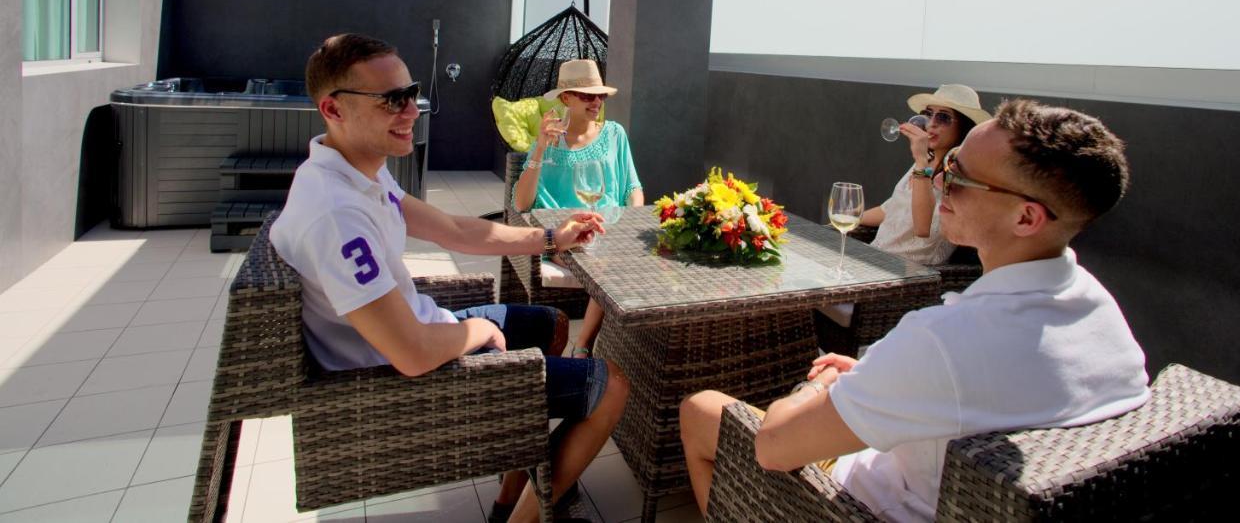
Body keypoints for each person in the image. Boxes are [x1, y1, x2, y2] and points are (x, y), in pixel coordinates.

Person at [680, 99, 1150, 522]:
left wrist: (818, 384)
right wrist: (878, 376)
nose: (940, 179)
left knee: (701, 409)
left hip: (862, 502)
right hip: (954, 494)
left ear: (1025, 218)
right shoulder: (1102, 314)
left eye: (960, 176)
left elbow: (772, 448)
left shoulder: (943, 341)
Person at [270, 34, 629, 523]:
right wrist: (478, 331)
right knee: (612, 386)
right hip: (400, 377)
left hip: (418, 329)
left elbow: (456, 229)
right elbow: (412, 353)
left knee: (549, 326)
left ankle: (512, 492)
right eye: (392, 100)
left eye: (411, 94)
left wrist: (550, 239)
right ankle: (526, 515)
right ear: (333, 109)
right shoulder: (337, 214)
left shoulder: (357, 173)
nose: (412, 111)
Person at [513, 59, 643, 357]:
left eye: (600, 95)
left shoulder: (614, 134)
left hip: (610, 230)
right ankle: (583, 346)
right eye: (587, 96)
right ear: (566, 98)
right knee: (609, 268)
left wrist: (632, 220)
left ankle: (629, 347)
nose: (596, 101)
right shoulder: (550, 140)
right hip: (567, 236)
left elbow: (633, 188)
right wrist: (541, 148)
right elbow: (521, 203)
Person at [863, 84, 989, 265]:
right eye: (928, 114)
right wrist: (848, 217)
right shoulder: (926, 161)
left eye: (944, 117)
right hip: (876, 258)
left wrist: (920, 159)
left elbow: (923, 228)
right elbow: (893, 209)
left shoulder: (960, 174)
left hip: (909, 273)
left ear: (963, 128)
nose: (931, 123)